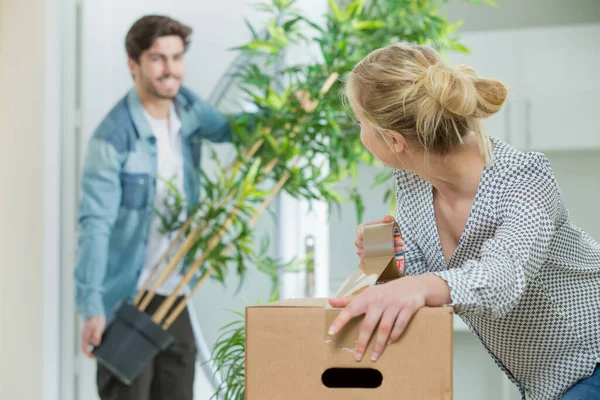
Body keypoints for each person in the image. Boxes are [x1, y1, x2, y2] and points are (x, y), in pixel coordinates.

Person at [327, 42, 600, 400]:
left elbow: (504, 276)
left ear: (394, 140)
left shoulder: (523, 179)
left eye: (361, 123)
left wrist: (419, 286)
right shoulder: (413, 179)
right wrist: (386, 257)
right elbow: (423, 281)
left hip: (590, 358)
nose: (361, 134)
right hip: (548, 380)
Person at [74, 15, 232, 400]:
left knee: (180, 391)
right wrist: (92, 306)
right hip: (130, 296)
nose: (170, 70)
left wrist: (285, 118)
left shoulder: (188, 108)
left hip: (176, 289)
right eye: (158, 58)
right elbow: (95, 225)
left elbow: (231, 129)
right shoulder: (112, 138)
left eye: (176, 58)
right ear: (134, 65)